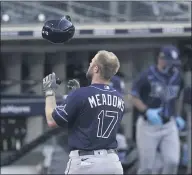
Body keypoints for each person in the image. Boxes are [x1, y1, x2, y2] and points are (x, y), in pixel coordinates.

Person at [43, 50, 125, 174]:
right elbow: (91, 118)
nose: (89, 65)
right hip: (112, 163)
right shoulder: (119, 98)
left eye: (92, 62)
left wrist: (49, 92)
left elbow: (52, 121)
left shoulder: (81, 94)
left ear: (96, 69)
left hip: (86, 163)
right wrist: (75, 97)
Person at [130, 45, 186, 174]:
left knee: (172, 161)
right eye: (169, 62)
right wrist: (146, 111)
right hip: (148, 126)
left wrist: (176, 115)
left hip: (168, 125)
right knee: (147, 167)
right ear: (160, 59)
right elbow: (132, 96)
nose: (172, 66)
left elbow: (177, 98)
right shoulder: (146, 75)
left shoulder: (178, 77)